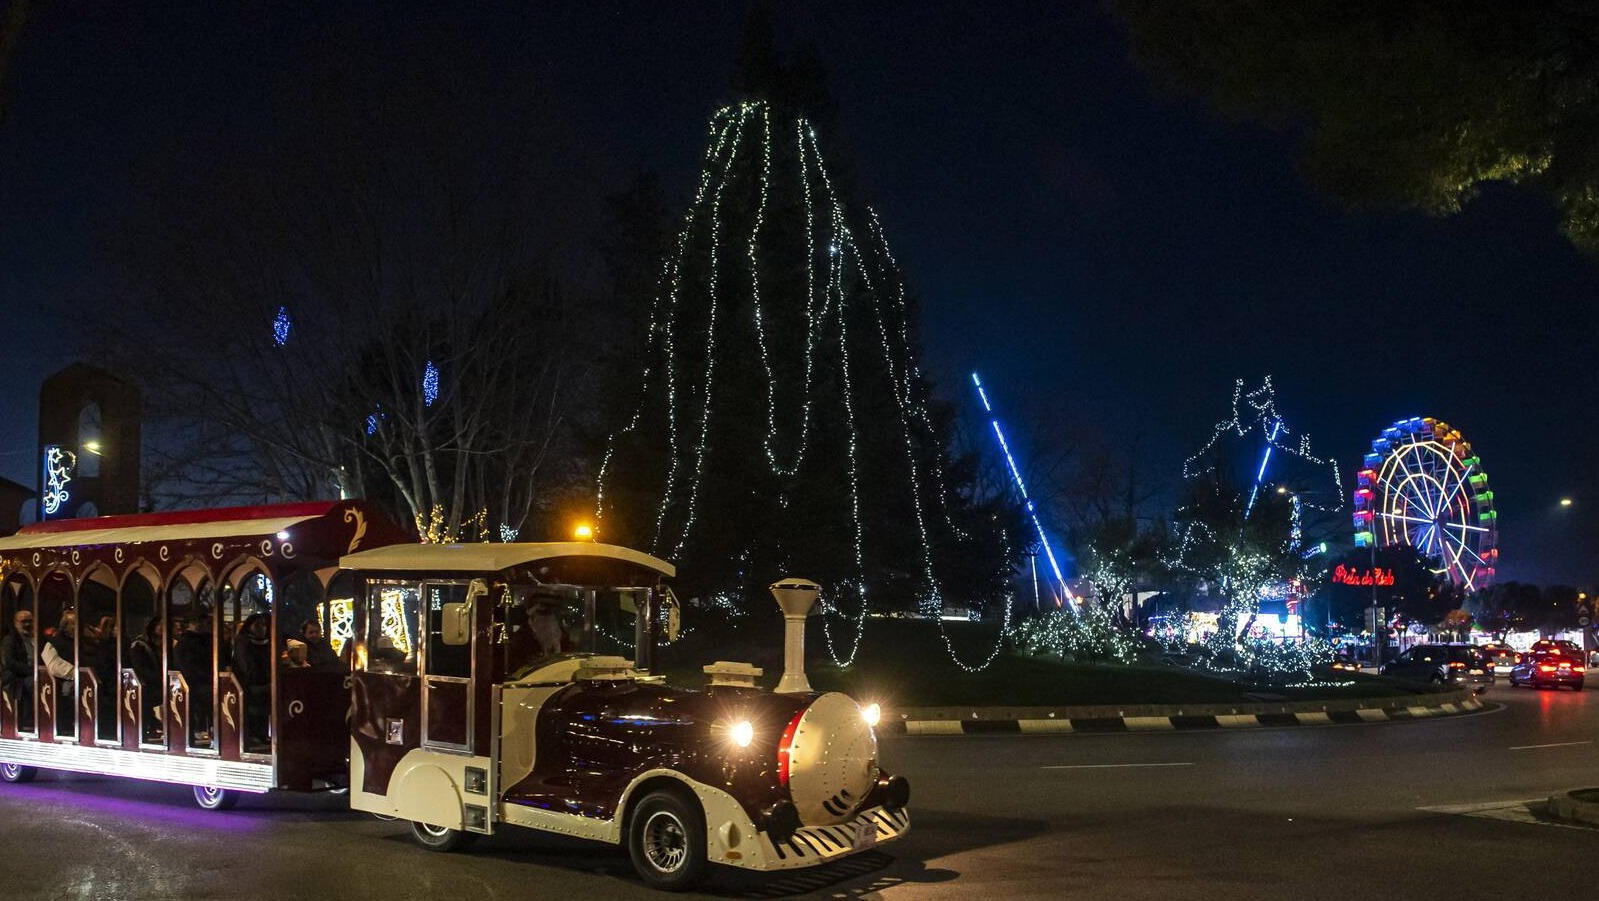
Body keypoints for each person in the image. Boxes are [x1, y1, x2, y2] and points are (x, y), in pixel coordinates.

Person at [171, 615, 214, 744]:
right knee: (211, 696)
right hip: (192, 682)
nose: (200, 624)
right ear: (189, 624)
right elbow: (186, 665)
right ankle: (202, 729)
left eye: (202, 621)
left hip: (206, 680)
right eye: (196, 622)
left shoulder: (208, 639)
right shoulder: (185, 641)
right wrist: (206, 676)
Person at [232, 613, 272, 748]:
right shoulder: (244, 642)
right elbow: (247, 667)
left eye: (264, 625)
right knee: (261, 694)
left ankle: (262, 732)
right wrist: (264, 678)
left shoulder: (268, 642)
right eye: (258, 625)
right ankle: (254, 733)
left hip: (264, 680)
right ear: (250, 627)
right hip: (247, 683)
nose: (262, 628)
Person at [127, 618, 165, 742]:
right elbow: (140, 668)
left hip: (159, 683)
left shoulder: (163, 644)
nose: (163, 627)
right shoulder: (140, 645)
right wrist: (158, 679)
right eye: (160, 625)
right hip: (146, 684)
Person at [41, 611, 77, 737]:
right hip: (65, 681)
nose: (76, 627)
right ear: (65, 626)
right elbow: (54, 665)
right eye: (73, 624)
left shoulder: (84, 641)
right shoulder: (53, 643)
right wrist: (77, 674)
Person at [0, 609, 37, 730]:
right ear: (16, 622)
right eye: (23, 621)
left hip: (35, 673)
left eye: (30, 621)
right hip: (15, 677)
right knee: (35, 684)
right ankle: (31, 721)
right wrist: (34, 672)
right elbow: (11, 663)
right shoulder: (10, 640)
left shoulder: (36, 638)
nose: (27, 625)